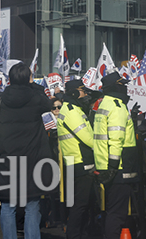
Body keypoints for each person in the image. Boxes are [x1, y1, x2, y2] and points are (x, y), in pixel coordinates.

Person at [0, 62, 55, 239]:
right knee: (32, 206)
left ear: (10, 79)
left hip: (7, 159)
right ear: (28, 78)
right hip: (33, 160)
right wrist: (32, 84)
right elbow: (47, 104)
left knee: (8, 206)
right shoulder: (35, 98)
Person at [93, 73, 139, 239]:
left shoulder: (104, 104)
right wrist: (113, 165)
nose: (125, 88)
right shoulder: (117, 106)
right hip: (118, 166)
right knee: (117, 213)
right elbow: (116, 138)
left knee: (112, 209)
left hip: (105, 164)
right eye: (122, 84)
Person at [57, 79, 96, 239]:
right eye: (82, 90)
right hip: (80, 162)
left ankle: (81, 233)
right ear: (74, 92)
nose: (85, 94)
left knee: (83, 204)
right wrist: (103, 147)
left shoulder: (74, 109)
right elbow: (88, 138)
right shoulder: (72, 111)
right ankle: (74, 235)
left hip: (77, 162)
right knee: (80, 205)